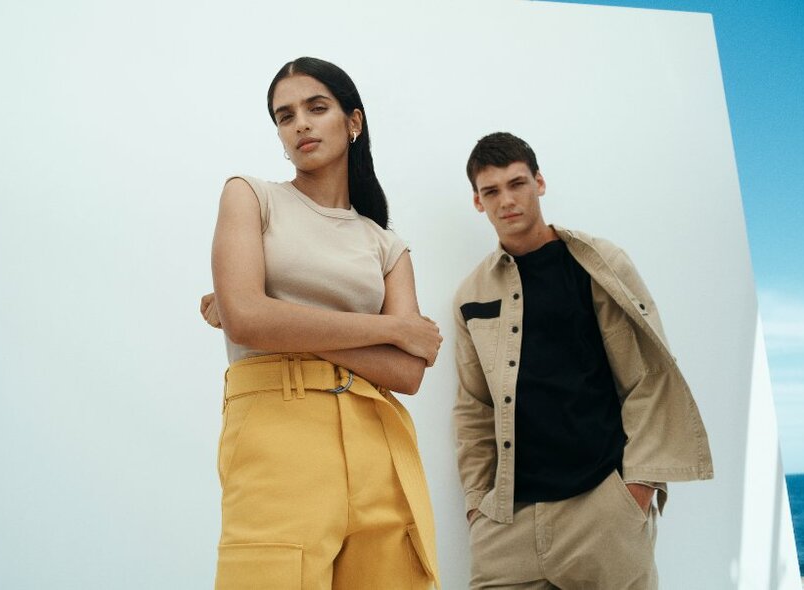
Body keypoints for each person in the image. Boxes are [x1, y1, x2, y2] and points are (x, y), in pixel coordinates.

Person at [206, 57, 442, 589]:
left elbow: (407, 374)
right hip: (277, 432)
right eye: (284, 116)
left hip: (377, 438)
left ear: (353, 122)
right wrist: (391, 329)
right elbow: (246, 320)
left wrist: (278, 317)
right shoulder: (251, 195)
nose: (301, 125)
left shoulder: (386, 243)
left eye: (317, 108)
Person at [453, 132, 713, 589]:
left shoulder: (599, 263)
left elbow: (646, 379)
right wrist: (478, 505)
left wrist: (637, 492)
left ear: (540, 182)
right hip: (507, 526)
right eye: (491, 191)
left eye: (517, 184)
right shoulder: (471, 295)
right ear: (478, 202)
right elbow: (474, 407)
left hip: (603, 512)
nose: (506, 200)